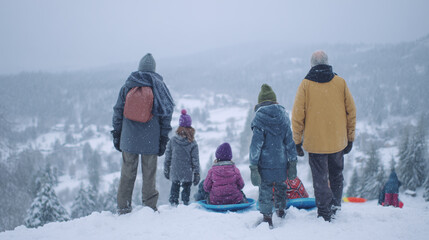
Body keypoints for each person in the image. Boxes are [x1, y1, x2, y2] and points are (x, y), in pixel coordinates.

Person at [292, 50, 356, 221]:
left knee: (320, 179)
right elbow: (351, 111)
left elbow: (298, 115)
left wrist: (297, 142)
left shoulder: (305, 85)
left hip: (315, 143)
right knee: (336, 175)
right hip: (337, 141)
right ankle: (335, 206)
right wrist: (350, 138)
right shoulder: (340, 83)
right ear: (327, 63)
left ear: (311, 65)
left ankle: (324, 212)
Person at [111, 53, 174, 214]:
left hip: (128, 138)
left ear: (140, 67)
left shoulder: (128, 85)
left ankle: (123, 207)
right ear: (153, 69)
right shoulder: (159, 86)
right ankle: (149, 208)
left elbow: (118, 111)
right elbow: (165, 116)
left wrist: (117, 134)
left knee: (127, 174)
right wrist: (163, 139)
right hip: (150, 139)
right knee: (149, 176)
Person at [249, 84, 298, 229]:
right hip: (281, 164)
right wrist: (293, 162)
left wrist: (253, 166)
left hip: (265, 165)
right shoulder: (283, 118)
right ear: (275, 101)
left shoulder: (259, 119)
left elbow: (256, 146)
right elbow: (290, 142)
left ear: (260, 103)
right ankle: (281, 210)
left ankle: (267, 217)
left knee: (265, 190)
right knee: (281, 187)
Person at [164, 109, 200, 206]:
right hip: (187, 171)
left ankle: (173, 203)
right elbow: (195, 160)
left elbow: (168, 156)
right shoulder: (192, 143)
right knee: (186, 188)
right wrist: (196, 173)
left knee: (174, 186)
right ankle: (185, 203)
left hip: (175, 170)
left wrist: (166, 168)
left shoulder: (173, 140)